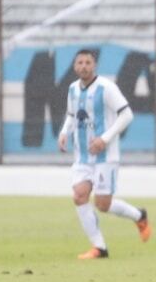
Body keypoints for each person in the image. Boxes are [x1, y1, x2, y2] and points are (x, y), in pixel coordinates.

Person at [57, 49, 150, 259]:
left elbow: (127, 115)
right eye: (79, 62)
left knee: (103, 204)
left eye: (87, 62)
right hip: (82, 156)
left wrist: (104, 139)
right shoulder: (72, 89)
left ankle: (139, 215)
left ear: (94, 65)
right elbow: (72, 115)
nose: (83, 66)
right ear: (74, 66)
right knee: (79, 196)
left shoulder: (106, 88)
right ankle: (99, 248)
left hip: (105, 156)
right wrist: (64, 132)